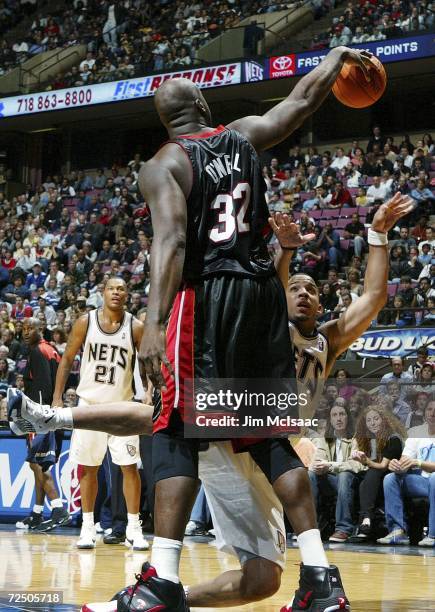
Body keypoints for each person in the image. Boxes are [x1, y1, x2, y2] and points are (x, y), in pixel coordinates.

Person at [10, 190, 414, 611]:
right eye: (295, 287)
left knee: (262, 580)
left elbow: (373, 299)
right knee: (160, 416)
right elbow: (269, 290)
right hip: (239, 418)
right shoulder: (271, 318)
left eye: (312, 290)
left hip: (271, 457)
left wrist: (378, 234)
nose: (303, 294)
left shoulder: (326, 341)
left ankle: (158, 601)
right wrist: (286, 253)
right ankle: (50, 416)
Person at [51, 277, 149, 551]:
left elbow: (148, 363)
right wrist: (57, 398)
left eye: (121, 289)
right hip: (90, 405)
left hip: (123, 406)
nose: (117, 292)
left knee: (129, 468)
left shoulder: (136, 327)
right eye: (112, 288)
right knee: (88, 468)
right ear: (103, 293)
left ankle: (133, 528)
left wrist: (150, 392)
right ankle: (87, 527)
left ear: (127, 295)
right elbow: (68, 358)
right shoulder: (86, 321)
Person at [15, 317, 69, 532]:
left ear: (41, 329)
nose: (26, 332)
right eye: (24, 328)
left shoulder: (38, 351)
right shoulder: (51, 349)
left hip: (40, 415)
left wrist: (37, 415)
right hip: (53, 412)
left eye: (31, 328)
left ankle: (58, 509)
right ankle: (37, 514)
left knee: (37, 463)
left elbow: (42, 388)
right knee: (39, 464)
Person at [377, 400, 435, 547]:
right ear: (425, 412)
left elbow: (416, 463)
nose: (433, 413)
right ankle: (398, 531)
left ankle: (433, 534)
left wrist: (418, 463)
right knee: (390, 478)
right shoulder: (415, 432)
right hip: (422, 482)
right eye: (429, 409)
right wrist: (397, 465)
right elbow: (405, 459)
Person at [309, 403, 363, 543]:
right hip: (332, 481)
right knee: (310, 474)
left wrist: (330, 466)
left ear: (347, 417)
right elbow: (318, 460)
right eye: (334, 415)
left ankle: (343, 529)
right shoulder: (324, 439)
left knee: (345, 475)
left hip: (352, 482)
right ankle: (310, 527)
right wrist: (318, 466)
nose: (338, 418)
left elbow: (356, 465)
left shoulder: (356, 437)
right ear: (330, 420)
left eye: (342, 414)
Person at [351, 406, 405, 540]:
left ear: (384, 420)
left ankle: (366, 518)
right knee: (359, 480)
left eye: (376, 419)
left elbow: (382, 466)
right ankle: (362, 521)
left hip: (393, 477)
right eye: (369, 420)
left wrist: (365, 461)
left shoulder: (394, 438)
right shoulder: (370, 439)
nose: (372, 423)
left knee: (372, 473)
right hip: (375, 478)